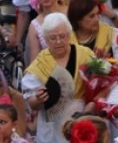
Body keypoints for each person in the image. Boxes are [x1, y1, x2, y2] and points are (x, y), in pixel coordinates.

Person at [23, 13, 96, 143]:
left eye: (62, 36)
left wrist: (91, 106)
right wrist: (38, 99)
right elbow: (32, 104)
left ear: (69, 35)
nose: (58, 41)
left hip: (81, 118)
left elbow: (100, 86)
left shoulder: (85, 55)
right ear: (45, 39)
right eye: (53, 38)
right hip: (51, 126)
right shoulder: (39, 64)